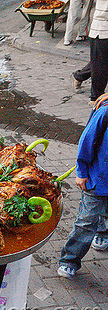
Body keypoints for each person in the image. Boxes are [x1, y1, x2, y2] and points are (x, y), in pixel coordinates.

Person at [58, 93, 108, 279]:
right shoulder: (105, 113)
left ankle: (103, 233)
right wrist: (81, 172)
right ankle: (69, 260)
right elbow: (86, 141)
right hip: (97, 180)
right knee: (86, 222)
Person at [71, 0, 108, 106]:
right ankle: (95, 98)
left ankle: (79, 76)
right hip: (102, 31)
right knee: (100, 66)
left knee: (99, 62)